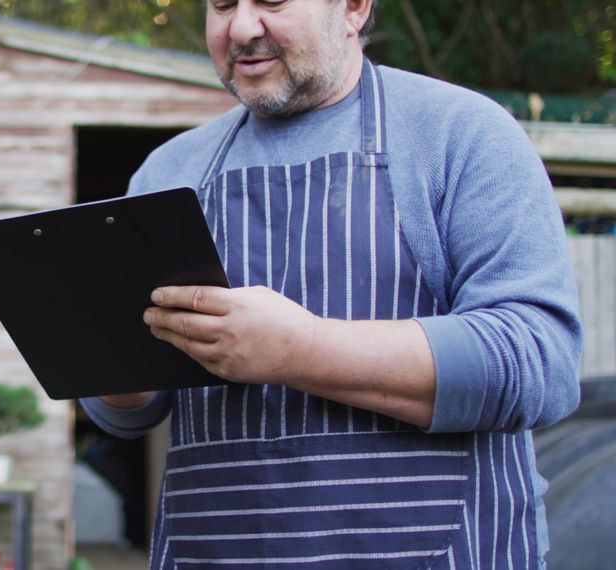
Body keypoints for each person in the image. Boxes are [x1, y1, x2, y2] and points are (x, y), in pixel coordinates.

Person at [79, 0, 583, 568]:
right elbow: (127, 414)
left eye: (271, 1)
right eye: (221, 4)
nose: (241, 27)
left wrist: (302, 351)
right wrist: (101, 350)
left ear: (353, 7)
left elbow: (539, 364)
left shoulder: (461, 134)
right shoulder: (168, 172)